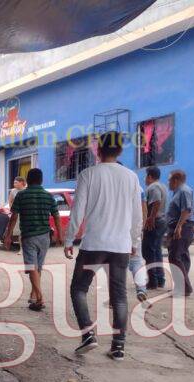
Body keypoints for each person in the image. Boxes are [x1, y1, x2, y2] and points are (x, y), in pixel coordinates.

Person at [64, 132, 142, 361]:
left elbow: (77, 211)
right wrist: (134, 242)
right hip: (121, 246)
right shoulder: (131, 177)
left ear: (98, 150)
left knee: (78, 289)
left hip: (94, 244)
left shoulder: (88, 174)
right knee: (119, 296)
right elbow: (137, 215)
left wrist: (69, 239)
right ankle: (118, 347)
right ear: (120, 151)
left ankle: (88, 335)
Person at [3, 168, 62, 311]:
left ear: (28, 180)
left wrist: (8, 235)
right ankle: (33, 295)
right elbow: (56, 216)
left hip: (29, 237)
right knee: (37, 268)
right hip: (45, 237)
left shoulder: (22, 195)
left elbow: (14, 217)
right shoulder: (48, 196)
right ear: (41, 180)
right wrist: (60, 235)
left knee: (32, 268)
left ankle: (40, 298)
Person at [167, 170, 194, 296]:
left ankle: (184, 288)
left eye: (169, 180)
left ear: (176, 180)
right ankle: (181, 286)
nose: (168, 183)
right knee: (182, 257)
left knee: (175, 257)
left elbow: (186, 210)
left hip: (183, 227)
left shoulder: (183, 191)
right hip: (182, 226)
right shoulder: (179, 191)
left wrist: (179, 226)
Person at [142, 166, 169, 289]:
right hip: (161, 221)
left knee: (148, 251)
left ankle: (153, 280)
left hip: (155, 222)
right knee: (156, 250)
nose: (145, 179)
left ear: (149, 176)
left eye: (146, 176)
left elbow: (157, 201)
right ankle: (159, 279)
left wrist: (151, 218)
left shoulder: (153, 187)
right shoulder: (162, 186)